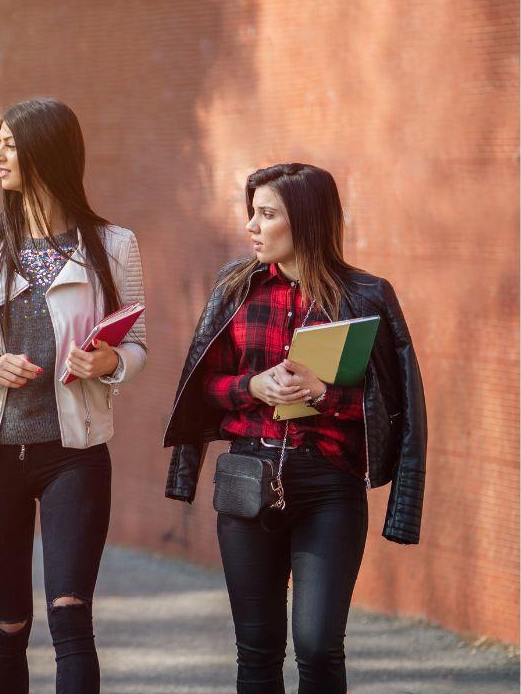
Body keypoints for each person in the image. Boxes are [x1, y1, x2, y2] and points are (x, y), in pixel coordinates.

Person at [162, 163, 426, 693]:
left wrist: (324, 394)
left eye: (267, 214)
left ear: (304, 221)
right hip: (246, 479)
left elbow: (394, 407)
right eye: (251, 214)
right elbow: (201, 390)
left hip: (331, 486)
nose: (252, 227)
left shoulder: (366, 295)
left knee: (318, 647)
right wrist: (252, 387)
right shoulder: (235, 288)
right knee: (256, 654)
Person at [0, 97, 147, 693]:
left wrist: (110, 362)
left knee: (72, 616)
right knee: (9, 625)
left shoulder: (114, 245)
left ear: (46, 152)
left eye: (9, 143)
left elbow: (139, 347)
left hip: (73, 455)